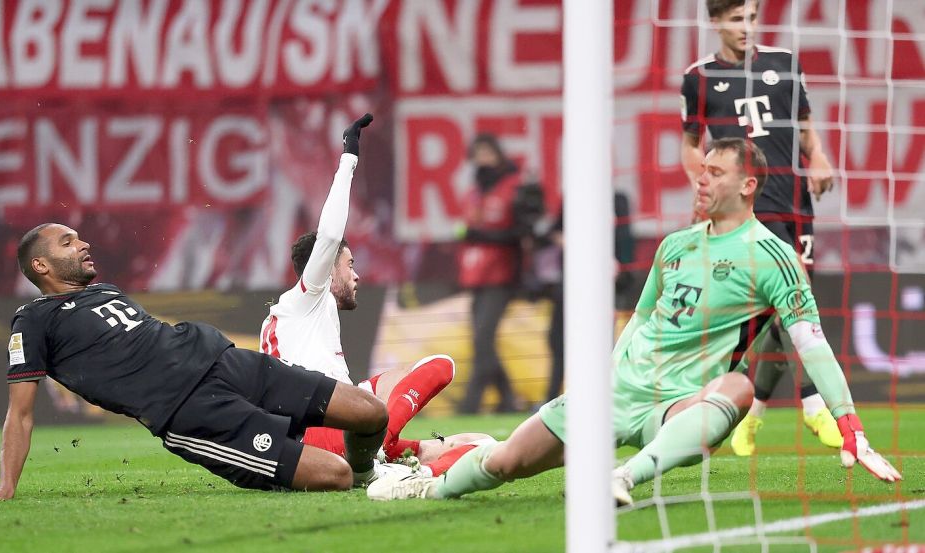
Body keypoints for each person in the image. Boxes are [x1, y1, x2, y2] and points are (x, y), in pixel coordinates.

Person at [366, 138, 901, 504]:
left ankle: (624, 475)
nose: (701, 180)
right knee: (506, 462)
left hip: (680, 403)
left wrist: (849, 425)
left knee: (738, 388)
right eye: (701, 170)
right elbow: (640, 319)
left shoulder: (772, 256)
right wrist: (605, 378)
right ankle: (424, 485)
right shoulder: (674, 246)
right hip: (622, 388)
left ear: (748, 186)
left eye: (716, 173)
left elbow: (812, 345)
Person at [0, 120, 401, 502]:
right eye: (67, 242)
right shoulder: (33, 320)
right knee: (334, 475)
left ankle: (369, 473)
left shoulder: (105, 291)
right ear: (41, 266)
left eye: (78, 237)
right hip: (192, 411)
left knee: (371, 413)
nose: (83, 243)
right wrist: (6, 486)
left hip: (225, 361)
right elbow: (20, 412)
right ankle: (332, 471)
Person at [259, 114, 493, 477]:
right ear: (327, 268)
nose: (357, 275)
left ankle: (407, 470)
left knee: (482, 444)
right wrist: (349, 158)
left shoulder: (300, 319)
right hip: (316, 437)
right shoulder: (307, 296)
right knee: (440, 364)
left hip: (323, 434)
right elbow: (330, 235)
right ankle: (380, 448)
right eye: (349, 265)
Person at [680, 0, 842, 456]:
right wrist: (704, 186)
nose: (747, 27)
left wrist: (819, 157)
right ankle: (814, 405)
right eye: (736, 19)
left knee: (777, 316)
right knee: (794, 299)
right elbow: (691, 145)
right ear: (716, 22)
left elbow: (805, 127)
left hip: (795, 203)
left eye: (751, 17)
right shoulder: (699, 77)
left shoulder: (785, 64)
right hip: (747, 205)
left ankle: (751, 415)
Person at [456, 134, 525, 414]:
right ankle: (509, 400)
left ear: (498, 154)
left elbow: (520, 232)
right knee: (481, 340)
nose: (483, 159)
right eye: (478, 154)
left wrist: (482, 235)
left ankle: (469, 405)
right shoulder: (474, 191)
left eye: (487, 153)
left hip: (502, 276)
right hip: (477, 276)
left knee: (482, 339)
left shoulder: (514, 186)